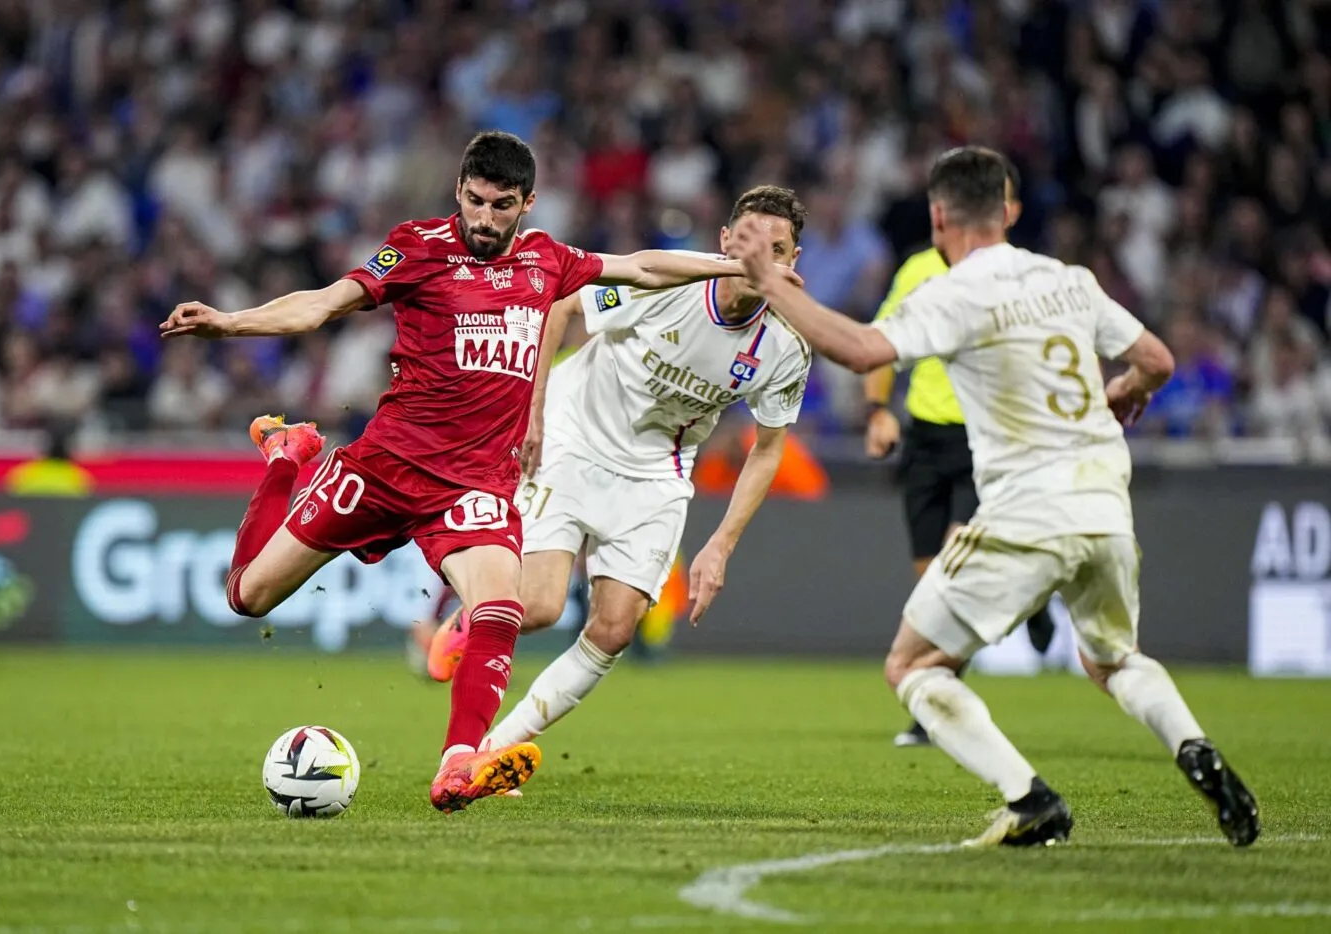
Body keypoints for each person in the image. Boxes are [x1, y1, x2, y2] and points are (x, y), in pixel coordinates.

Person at [158, 130, 754, 813]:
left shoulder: (547, 260)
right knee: (248, 595)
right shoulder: (416, 247)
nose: (485, 218)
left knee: (500, 606)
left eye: (502, 206)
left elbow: (641, 267)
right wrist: (230, 323)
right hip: (383, 469)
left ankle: (458, 763)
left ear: (527, 203)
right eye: (475, 201)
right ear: (458, 192)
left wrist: (735, 266)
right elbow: (323, 302)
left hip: (474, 486)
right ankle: (285, 460)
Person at [733, 147, 1259, 848]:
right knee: (1113, 659)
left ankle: (1029, 798)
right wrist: (1128, 390)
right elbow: (1157, 361)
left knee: (911, 665)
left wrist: (770, 281)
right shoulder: (1068, 279)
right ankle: (1193, 745)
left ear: (938, 217)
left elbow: (859, 350)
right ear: (1005, 211)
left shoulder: (955, 291)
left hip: (1027, 508)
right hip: (1106, 503)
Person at [424, 186, 813, 763]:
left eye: (777, 250)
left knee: (614, 629)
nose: (761, 260)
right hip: (572, 435)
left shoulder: (786, 345)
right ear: (725, 241)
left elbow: (767, 448)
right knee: (539, 606)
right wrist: (532, 412)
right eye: (751, 243)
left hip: (656, 473)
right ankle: (473, 616)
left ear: (793, 260)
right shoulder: (667, 281)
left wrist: (721, 544)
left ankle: (489, 753)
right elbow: (562, 303)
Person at [864, 156, 1057, 748]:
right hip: (925, 438)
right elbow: (881, 341)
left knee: (954, 566)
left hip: (982, 440)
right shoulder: (919, 270)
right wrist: (878, 410)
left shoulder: (1013, 278)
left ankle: (932, 708)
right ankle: (1029, 599)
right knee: (931, 578)